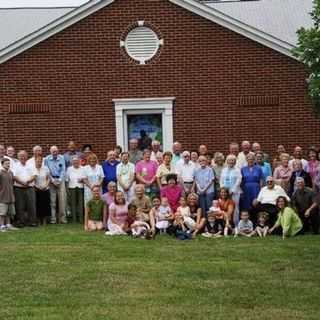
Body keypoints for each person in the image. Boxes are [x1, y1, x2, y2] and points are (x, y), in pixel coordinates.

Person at [13, 150, 37, 227]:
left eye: (24, 155)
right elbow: (14, 176)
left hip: (30, 187)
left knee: (31, 205)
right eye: (21, 156)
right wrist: (22, 183)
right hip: (18, 188)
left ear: (27, 156)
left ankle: (32, 222)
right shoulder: (15, 165)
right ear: (18, 157)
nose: (22, 157)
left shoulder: (31, 165)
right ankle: (21, 222)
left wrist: (28, 182)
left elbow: (34, 175)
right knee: (20, 205)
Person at [45, 146, 67, 224]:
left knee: (62, 201)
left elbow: (63, 170)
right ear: (50, 152)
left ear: (58, 151)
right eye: (53, 151)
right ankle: (53, 219)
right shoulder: (47, 159)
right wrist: (53, 180)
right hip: (51, 181)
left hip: (61, 181)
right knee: (52, 201)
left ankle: (63, 219)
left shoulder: (61, 158)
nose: (55, 153)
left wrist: (60, 180)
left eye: (56, 151)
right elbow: (47, 170)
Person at [220, 154, 242, 225]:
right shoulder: (224, 170)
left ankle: (236, 224)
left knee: (235, 208)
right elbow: (221, 180)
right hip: (225, 193)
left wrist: (232, 190)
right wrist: (223, 189)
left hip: (234, 192)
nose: (231, 162)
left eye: (233, 160)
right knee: (224, 207)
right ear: (227, 161)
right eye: (230, 160)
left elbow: (239, 180)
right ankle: (226, 224)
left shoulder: (237, 170)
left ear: (235, 161)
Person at [66, 156, 85, 223]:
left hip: (81, 187)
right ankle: (74, 219)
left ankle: (81, 219)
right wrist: (67, 189)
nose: (75, 162)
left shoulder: (83, 168)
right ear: (72, 162)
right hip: (72, 187)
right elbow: (67, 179)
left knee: (81, 203)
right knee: (73, 203)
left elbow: (85, 178)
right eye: (74, 161)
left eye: (77, 161)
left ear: (79, 162)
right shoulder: (69, 169)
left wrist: (82, 179)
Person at [0, 158, 17, 231]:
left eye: (9, 163)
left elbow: (12, 183)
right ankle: (2, 226)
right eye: (6, 163)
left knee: (9, 212)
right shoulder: (0, 173)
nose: (8, 165)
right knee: (2, 213)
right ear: (2, 164)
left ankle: (8, 225)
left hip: (10, 195)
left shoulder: (11, 173)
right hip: (2, 196)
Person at [34, 156, 50, 225]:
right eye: (38, 161)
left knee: (45, 205)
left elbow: (49, 178)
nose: (39, 162)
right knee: (38, 205)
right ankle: (38, 220)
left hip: (45, 189)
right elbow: (32, 179)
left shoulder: (45, 168)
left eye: (40, 161)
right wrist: (37, 187)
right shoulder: (33, 169)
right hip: (36, 189)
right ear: (35, 161)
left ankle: (44, 220)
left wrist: (46, 185)